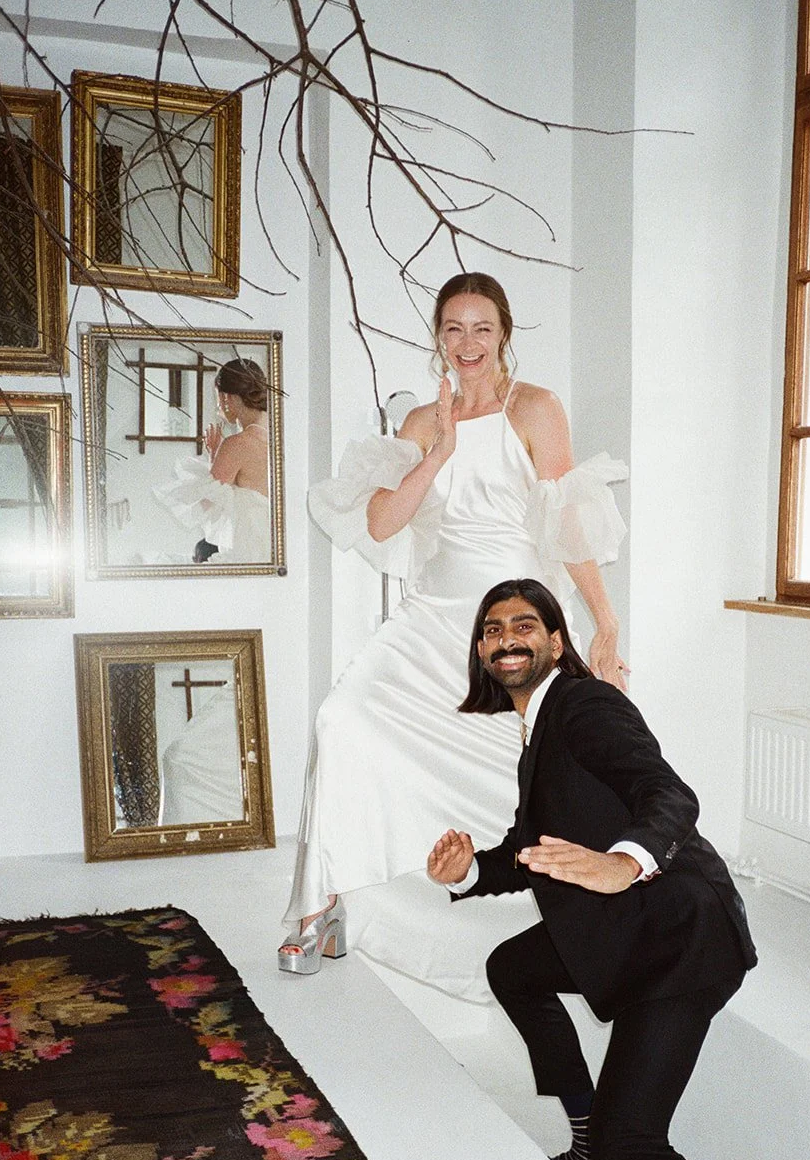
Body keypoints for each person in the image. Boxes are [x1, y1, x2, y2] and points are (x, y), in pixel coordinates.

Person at [427, 579, 810, 1160]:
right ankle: (585, 1149)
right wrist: (470, 869)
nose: (506, 636)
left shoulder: (584, 705)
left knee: (637, 1144)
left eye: (524, 624)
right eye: (491, 628)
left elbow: (668, 795)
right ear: (480, 653)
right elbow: (538, 850)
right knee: (515, 966)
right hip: (618, 922)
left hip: (675, 939)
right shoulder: (539, 724)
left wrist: (628, 860)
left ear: (555, 639)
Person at [279, 272, 628, 978]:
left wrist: (606, 626)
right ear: (437, 339)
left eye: (481, 329)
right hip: (429, 617)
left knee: (534, 770)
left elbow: (568, 525)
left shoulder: (535, 409)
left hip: (512, 624)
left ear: (503, 335)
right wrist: (436, 450)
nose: (467, 344)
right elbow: (381, 522)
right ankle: (323, 905)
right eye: (453, 330)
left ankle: (566, 919)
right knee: (342, 719)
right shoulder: (418, 424)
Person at [156, 357, 271, 564]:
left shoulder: (238, 443)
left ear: (228, 397)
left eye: (218, 397)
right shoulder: (275, 437)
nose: (219, 405)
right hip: (271, 545)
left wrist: (218, 455)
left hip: (248, 545)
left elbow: (209, 503)